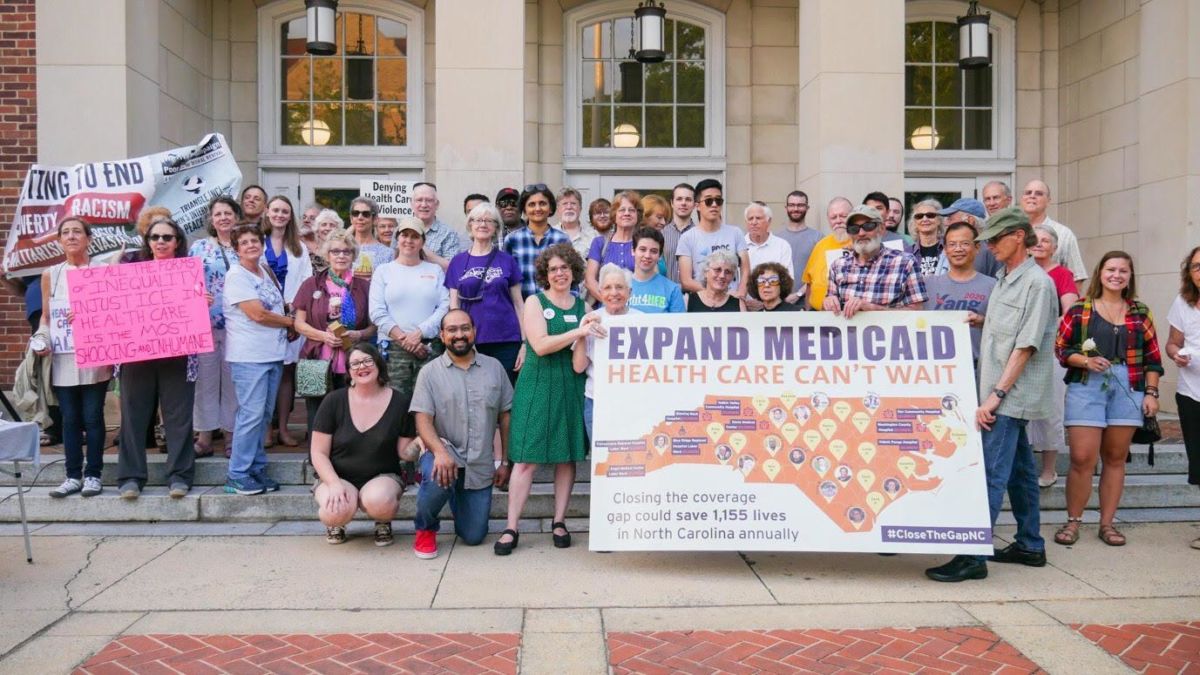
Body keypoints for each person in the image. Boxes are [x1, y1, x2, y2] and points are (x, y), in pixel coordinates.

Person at [925, 207, 1058, 583]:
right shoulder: (1006, 277)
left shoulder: (1037, 283)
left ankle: (972, 556)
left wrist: (995, 397)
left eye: (996, 239)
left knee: (989, 474)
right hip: (1000, 390)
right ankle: (1030, 544)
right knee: (1019, 472)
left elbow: (1026, 346)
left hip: (1009, 395)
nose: (990, 247)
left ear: (1019, 236)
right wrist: (980, 320)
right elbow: (1006, 328)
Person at [1054, 251, 1162, 547]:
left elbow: (1153, 358)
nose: (1116, 275)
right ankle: (1073, 521)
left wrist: (1151, 393)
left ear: (1130, 276)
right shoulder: (1080, 309)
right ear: (1100, 273)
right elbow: (1061, 349)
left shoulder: (1141, 312)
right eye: (1111, 269)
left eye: (1123, 271)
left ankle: (1107, 524)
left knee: (1115, 458)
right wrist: (1085, 361)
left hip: (1129, 385)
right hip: (1087, 384)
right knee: (1081, 458)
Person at [497, 243, 594, 555]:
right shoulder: (534, 302)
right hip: (537, 385)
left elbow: (580, 363)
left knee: (566, 458)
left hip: (570, 384)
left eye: (565, 267)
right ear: (545, 274)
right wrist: (577, 333)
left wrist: (578, 337)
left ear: (574, 271)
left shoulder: (585, 308)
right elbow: (539, 346)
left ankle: (559, 521)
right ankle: (512, 526)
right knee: (526, 458)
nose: (559, 273)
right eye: (553, 269)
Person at [411, 310, 514, 558]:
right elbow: (422, 420)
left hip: (479, 463)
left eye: (465, 328)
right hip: (442, 455)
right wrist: (439, 452)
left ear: (474, 332)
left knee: (474, 536)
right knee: (438, 476)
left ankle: (456, 494)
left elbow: (506, 416)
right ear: (442, 335)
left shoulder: (494, 368)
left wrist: (505, 462)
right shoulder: (430, 372)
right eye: (452, 330)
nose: (459, 335)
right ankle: (425, 527)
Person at [116, 217, 200, 500]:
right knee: (133, 415)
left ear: (177, 241)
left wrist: (202, 302)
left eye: (167, 237)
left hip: (178, 353)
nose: (161, 242)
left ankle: (179, 476)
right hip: (136, 354)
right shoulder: (130, 268)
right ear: (147, 242)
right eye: (155, 237)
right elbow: (110, 305)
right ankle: (130, 477)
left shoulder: (189, 270)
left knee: (178, 417)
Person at [310, 342, 417, 546]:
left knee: (379, 501)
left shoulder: (400, 402)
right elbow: (318, 452)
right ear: (349, 372)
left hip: (382, 476)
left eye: (367, 360)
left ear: (378, 364)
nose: (362, 367)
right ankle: (337, 522)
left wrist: (422, 443)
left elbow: (404, 453)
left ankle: (383, 521)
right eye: (355, 363)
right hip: (337, 475)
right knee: (335, 511)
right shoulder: (333, 401)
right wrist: (333, 483)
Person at [37, 218, 113, 499]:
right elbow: (45, 318)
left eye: (77, 232)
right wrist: (42, 339)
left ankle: (93, 474)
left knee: (93, 416)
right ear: (59, 240)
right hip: (63, 357)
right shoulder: (51, 274)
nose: (71, 237)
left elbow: (114, 314)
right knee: (69, 419)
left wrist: (89, 316)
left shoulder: (102, 270)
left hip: (94, 356)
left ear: (89, 238)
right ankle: (72, 476)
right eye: (65, 232)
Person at [223, 223, 296, 496]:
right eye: (245, 242)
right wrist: (292, 323)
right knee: (251, 414)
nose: (252, 245)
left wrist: (288, 322)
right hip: (249, 355)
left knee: (263, 415)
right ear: (237, 248)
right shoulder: (237, 276)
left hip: (272, 353)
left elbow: (274, 306)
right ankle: (237, 474)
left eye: (256, 240)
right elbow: (258, 314)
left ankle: (256, 467)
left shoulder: (264, 270)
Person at [293, 228, 376, 432]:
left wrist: (358, 334)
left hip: (353, 361)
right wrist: (324, 336)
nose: (341, 256)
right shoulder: (312, 284)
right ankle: (316, 459)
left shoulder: (364, 287)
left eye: (346, 251)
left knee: (351, 414)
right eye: (336, 251)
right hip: (318, 359)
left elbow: (374, 325)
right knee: (318, 414)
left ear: (353, 255)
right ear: (327, 255)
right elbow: (299, 323)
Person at [369, 216, 449, 398]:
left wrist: (419, 333)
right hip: (393, 348)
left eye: (415, 236)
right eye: (404, 235)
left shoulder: (434, 270)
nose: (409, 241)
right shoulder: (383, 271)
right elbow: (376, 312)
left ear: (422, 242)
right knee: (396, 404)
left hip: (428, 346)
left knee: (429, 403)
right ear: (397, 239)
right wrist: (405, 339)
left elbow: (444, 306)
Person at [447, 202, 526, 383]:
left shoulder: (507, 261)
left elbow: (519, 304)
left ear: (496, 227)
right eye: (478, 220)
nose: (483, 224)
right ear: (470, 225)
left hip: (506, 340)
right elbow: (454, 306)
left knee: (505, 394)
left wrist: (524, 344)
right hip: (470, 341)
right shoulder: (458, 262)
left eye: (489, 221)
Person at [190, 196, 241, 458]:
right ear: (211, 219)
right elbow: (185, 284)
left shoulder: (246, 245)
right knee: (205, 381)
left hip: (238, 325)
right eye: (218, 213)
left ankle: (231, 436)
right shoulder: (199, 247)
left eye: (228, 213)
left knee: (232, 381)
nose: (223, 218)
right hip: (204, 325)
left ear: (236, 216)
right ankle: (205, 436)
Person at [1029, 225, 1080, 487]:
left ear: (1054, 247)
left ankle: (1049, 469)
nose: (1039, 244)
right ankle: (1023, 470)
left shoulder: (1062, 274)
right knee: (1021, 411)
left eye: (1045, 240)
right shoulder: (1015, 271)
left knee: (1050, 409)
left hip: (1049, 349)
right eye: (1035, 239)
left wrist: (1040, 330)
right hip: (1020, 350)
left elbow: (1069, 314)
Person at [262, 195, 314, 448]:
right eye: (275, 210)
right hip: (261, 319)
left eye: (285, 211)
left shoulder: (299, 247)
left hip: (291, 318)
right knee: (264, 375)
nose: (280, 215)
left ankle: (283, 428)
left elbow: (306, 280)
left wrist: (292, 312)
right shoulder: (255, 242)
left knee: (286, 375)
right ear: (267, 212)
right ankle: (265, 429)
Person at [574, 264, 642, 440]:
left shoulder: (642, 320)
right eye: (608, 287)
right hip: (597, 401)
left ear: (630, 291)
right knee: (601, 462)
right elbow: (579, 367)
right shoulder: (590, 319)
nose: (614, 293)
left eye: (619, 287)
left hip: (634, 403)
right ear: (600, 291)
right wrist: (583, 332)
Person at [823, 206, 927, 318]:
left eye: (868, 226)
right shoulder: (838, 266)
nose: (861, 233)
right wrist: (828, 303)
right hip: (848, 334)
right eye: (854, 228)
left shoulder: (905, 262)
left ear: (881, 229)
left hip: (889, 334)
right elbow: (830, 314)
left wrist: (873, 309)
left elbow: (917, 312)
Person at [1165, 246, 1200, 550]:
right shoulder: (1183, 302)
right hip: (1191, 393)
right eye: (1196, 266)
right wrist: (1177, 355)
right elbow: (1172, 343)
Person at [922, 220, 995, 364]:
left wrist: (983, 321)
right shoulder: (927, 284)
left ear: (977, 247)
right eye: (952, 244)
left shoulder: (993, 286)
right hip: (935, 369)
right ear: (945, 249)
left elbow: (1003, 329)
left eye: (965, 244)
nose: (958, 249)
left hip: (976, 369)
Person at [677, 179, 750, 297]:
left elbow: (746, 270)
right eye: (708, 201)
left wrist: (740, 294)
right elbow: (686, 281)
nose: (714, 205)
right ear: (697, 206)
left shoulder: (735, 233)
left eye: (718, 200)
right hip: (701, 302)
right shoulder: (687, 238)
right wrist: (713, 294)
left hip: (733, 300)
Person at [503, 184, 570, 299]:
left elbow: (571, 279)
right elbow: (506, 280)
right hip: (521, 310)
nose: (537, 208)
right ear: (524, 209)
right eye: (531, 204)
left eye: (542, 203)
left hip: (556, 308)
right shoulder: (512, 240)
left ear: (550, 208)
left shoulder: (562, 239)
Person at [1022, 179, 1088, 283]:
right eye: (1028, 193)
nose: (1032, 196)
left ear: (1048, 201)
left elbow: (1076, 278)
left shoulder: (1064, 234)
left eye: (1039, 193)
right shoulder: (1014, 232)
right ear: (1022, 198)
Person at [585, 190, 639, 303]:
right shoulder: (599, 243)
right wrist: (610, 303)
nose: (627, 213)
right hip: (606, 310)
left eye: (632, 210)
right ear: (614, 215)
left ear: (638, 215)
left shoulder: (643, 243)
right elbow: (590, 281)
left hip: (637, 307)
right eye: (622, 210)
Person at [802, 196, 852, 309]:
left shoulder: (862, 243)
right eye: (833, 217)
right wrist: (807, 312)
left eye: (843, 216)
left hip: (851, 317)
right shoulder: (820, 245)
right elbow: (809, 283)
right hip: (818, 316)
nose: (838, 221)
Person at [777, 190, 821, 304]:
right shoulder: (776, 238)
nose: (796, 209)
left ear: (807, 208)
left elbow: (820, 273)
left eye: (800, 205)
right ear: (786, 207)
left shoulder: (818, 238)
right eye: (792, 205)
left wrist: (799, 294)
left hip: (807, 302)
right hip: (778, 302)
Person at [628, 227, 684, 314]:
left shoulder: (672, 290)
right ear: (633, 251)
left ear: (659, 256)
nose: (647, 255)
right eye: (642, 249)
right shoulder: (618, 287)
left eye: (653, 251)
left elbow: (680, 325)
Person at [939, 198, 1002, 277]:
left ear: (970, 220)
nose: (945, 223)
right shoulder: (946, 247)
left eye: (950, 219)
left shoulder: (988, 250)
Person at [411, 182, 462, 271]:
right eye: (419, 200)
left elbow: (453, 268)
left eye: (429, 200)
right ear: (411, 203)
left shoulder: (448, 233)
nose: (424, 205)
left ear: (437, 204)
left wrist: (423, 250)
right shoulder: (400, 231)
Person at [744, 202, 794, 277]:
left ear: (769, 221)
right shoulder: (738, 245)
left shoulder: (782, 246)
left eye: (758, 218)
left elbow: (787, 279)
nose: (754, 222)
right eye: (750, 219)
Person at [348, 197, 395, 278]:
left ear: (375, 219)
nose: (360, 217)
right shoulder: (341, 249)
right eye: (355, 213)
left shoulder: (388, 253)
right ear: (351, 218)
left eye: (366, 214)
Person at [904, 199, 947, 277]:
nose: (925, 219)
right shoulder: (906, 253)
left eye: (930, 215)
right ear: (915, 223)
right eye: (919, 216)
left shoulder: (949, 249)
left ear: (939, 220)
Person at [663, 183, 695, 284]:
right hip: (666, 295)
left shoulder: (700, 234)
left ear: (694, 204)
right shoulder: (661, 233)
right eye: (679, 199)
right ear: (672, 203)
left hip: (694, 295)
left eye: (688, 199)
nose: (683, 203)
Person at [555, 187, 596, 260]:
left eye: (573, 203)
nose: (569, 207)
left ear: (580, 208)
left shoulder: (593, 236)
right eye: (564, 204)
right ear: (558, 209)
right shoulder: (549, 235)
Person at [308, 208, 345, 276]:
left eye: (332, 225)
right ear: (317, 229)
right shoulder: (308, 254)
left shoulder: (343, 253)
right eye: (324, 224)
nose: (328, 228)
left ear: (338, 230)